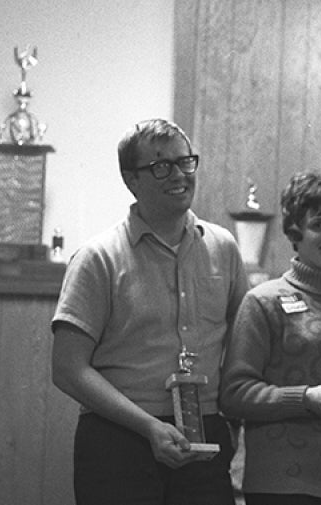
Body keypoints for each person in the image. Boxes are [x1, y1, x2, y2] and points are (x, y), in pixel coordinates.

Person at [51, 119, 248, 504]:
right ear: (131, 179)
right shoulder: (98, 258)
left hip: (203, 436)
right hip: (118, 436)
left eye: (185, 162)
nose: (178, 174)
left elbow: (244, 348)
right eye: (161, 166)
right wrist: (148, 427)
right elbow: (67, 369)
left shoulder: (223, 247)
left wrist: (232, 421)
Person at [219, 171, 321, 505]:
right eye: (320, 224)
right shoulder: (262, 302)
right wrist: (306, 398)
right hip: (278, 487)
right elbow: (234, 395)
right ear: (295, 232)